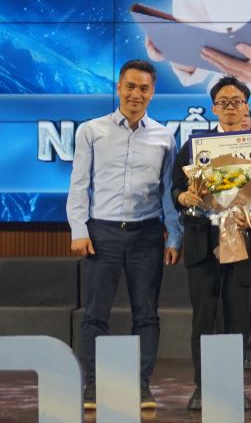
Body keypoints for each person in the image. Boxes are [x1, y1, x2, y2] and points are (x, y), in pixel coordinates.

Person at [66, 60, 182, 410]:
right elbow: (79, 184)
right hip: (101, 233)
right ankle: (93, 385)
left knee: (146, 314)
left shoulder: (165, 137)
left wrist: (174, 236)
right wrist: (78, 230)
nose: (136, 94)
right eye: (130, 86)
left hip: (146, 234)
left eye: (143, 88)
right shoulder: (91, 131)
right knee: (94, 314)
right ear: (118, 87)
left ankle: (141, 385)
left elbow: (168, 192)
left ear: (152, 92)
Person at [171, 77, 251, 411]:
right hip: (202, 241)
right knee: (204, 318)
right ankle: (202, 387)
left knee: (236, 318)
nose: (230, 107)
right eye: (223, 102)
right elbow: (175, 189)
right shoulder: (195, 146)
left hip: (241, 242)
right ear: (213, 108)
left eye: (236, 101)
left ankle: (233, 386)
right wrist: (184, 196)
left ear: (246, 106)